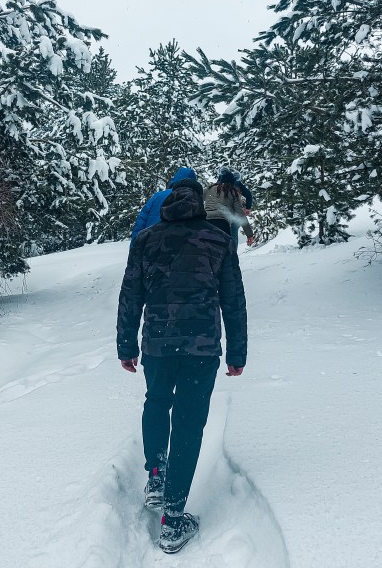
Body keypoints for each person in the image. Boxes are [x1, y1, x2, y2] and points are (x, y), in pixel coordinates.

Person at [117, 178, 247, 554]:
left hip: (157, 344)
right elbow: (233, 300)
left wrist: (126, 345)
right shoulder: (218, 239)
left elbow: (130, 295)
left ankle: (157, 477)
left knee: (157, 402)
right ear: (201, 203)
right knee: (189, 422)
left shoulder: (146, 240)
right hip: (201, 346)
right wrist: (237, 353)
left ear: (168, 203)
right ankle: (173, 520)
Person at [131, 167, 197, 240]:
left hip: (150, 241)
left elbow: (141, 221)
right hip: (176, 243)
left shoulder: (157, 196)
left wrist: (135, 243)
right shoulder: (194, 198)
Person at [204, 168, 255, 247]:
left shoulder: (209, 189)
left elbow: (197, 199)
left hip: (207, 222)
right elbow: (241, 214)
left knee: (208, 248)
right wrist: (249, 234)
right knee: (229, 248)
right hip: (223, 222)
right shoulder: (232, 192)